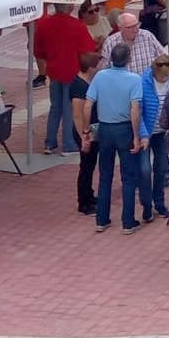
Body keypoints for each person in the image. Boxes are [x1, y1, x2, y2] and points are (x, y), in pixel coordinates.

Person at [88, 39, 147, 233]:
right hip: (124, 129)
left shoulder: (100, 77)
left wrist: (86, 130)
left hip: (105, 128)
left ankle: (101, 219)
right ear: (129, 59)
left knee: (105, 176)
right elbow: (135, 110)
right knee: (128, 177)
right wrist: (137, 136)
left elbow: (88, 104)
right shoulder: (134, 79)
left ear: (111, 59)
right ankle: (128, 221)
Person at [33, 1, 95, 154]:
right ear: (69, 7)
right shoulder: (78, 26)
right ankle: (69, 143)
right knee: (70, 108)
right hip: (72, 71)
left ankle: (50, 142)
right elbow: (88, 49)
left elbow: (38, 50)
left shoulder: (44, 24)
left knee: (55, 107)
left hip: (54, 70)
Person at [140, 53, 169, 221]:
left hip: (162, 132)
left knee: (161, 168)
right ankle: (147, 206)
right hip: (146, 132)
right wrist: (142, 134)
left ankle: (159, 204)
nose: (166, 81)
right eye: (163, 78)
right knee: (145, 171)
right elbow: (137, 111)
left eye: (168, 77)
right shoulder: (143, 82)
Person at [69, 51, 103, 215]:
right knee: (86, 167)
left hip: (91, 130)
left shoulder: (87, 81)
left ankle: (88, 195)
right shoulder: (78, 86)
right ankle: (84, 202)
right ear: (90, 68)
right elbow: (77, 114)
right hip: (85, 132)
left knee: (90, 165)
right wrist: (84, 136)